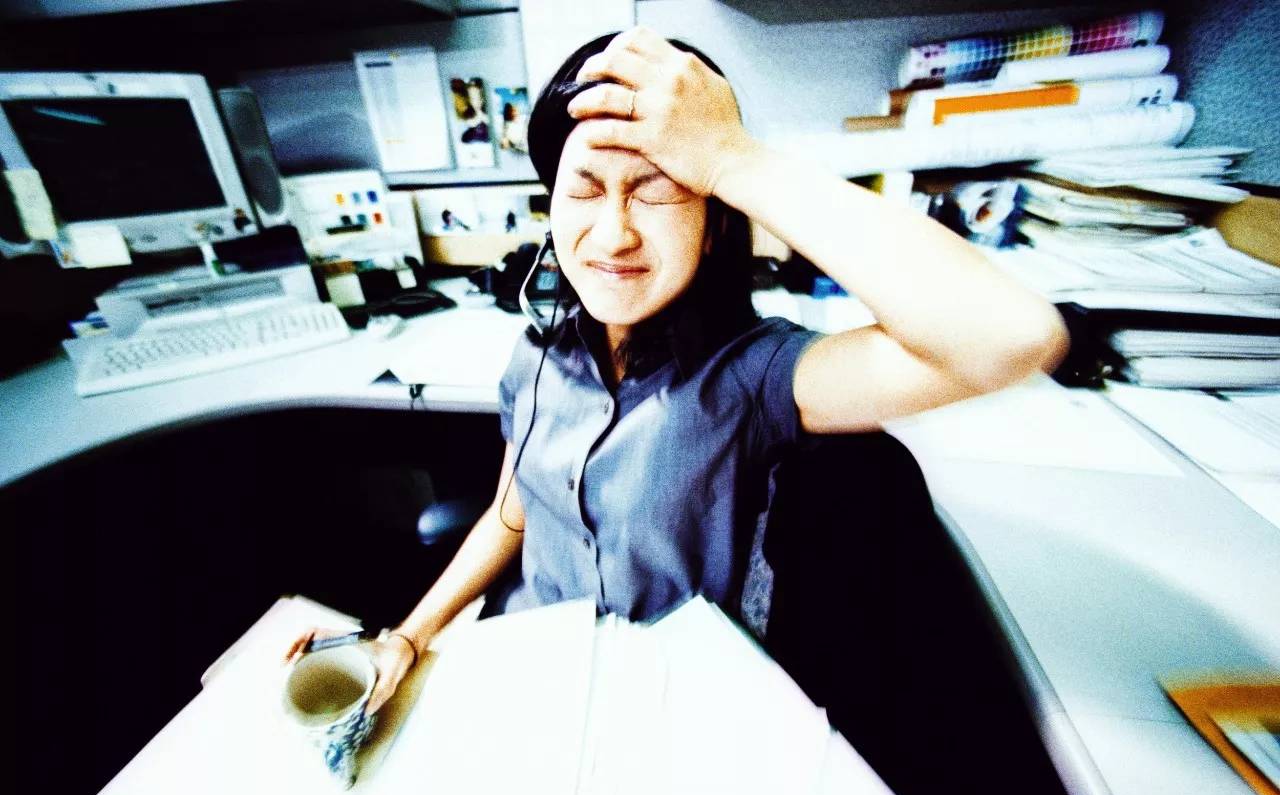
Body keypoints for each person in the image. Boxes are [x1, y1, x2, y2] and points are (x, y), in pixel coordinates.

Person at [285, 27, 1067, 721]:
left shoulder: (755, 378)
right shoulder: (538, 357)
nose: (613, 234)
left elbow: (1011, 338)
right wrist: (408, 635)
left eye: (655, 192)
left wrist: (732, 157)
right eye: (583, 190)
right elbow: (511, 515)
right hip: (530, 676)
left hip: (664, 716)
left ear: (713, 221)